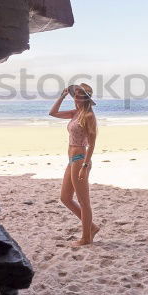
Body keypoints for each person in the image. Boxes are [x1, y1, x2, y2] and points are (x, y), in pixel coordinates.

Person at [48, 83, 99, 246]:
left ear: (86, 98)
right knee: (65, 198)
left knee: (84, 202)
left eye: (79, 95)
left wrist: (85, 166)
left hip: (80, 160)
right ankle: (91, 227)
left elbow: (91, 144)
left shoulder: (89, 116)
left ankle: (86, 238)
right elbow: (53, 113)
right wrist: (62, 96)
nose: (75, 97)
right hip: (71, 160)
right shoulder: (75, 113)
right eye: (74, 94)